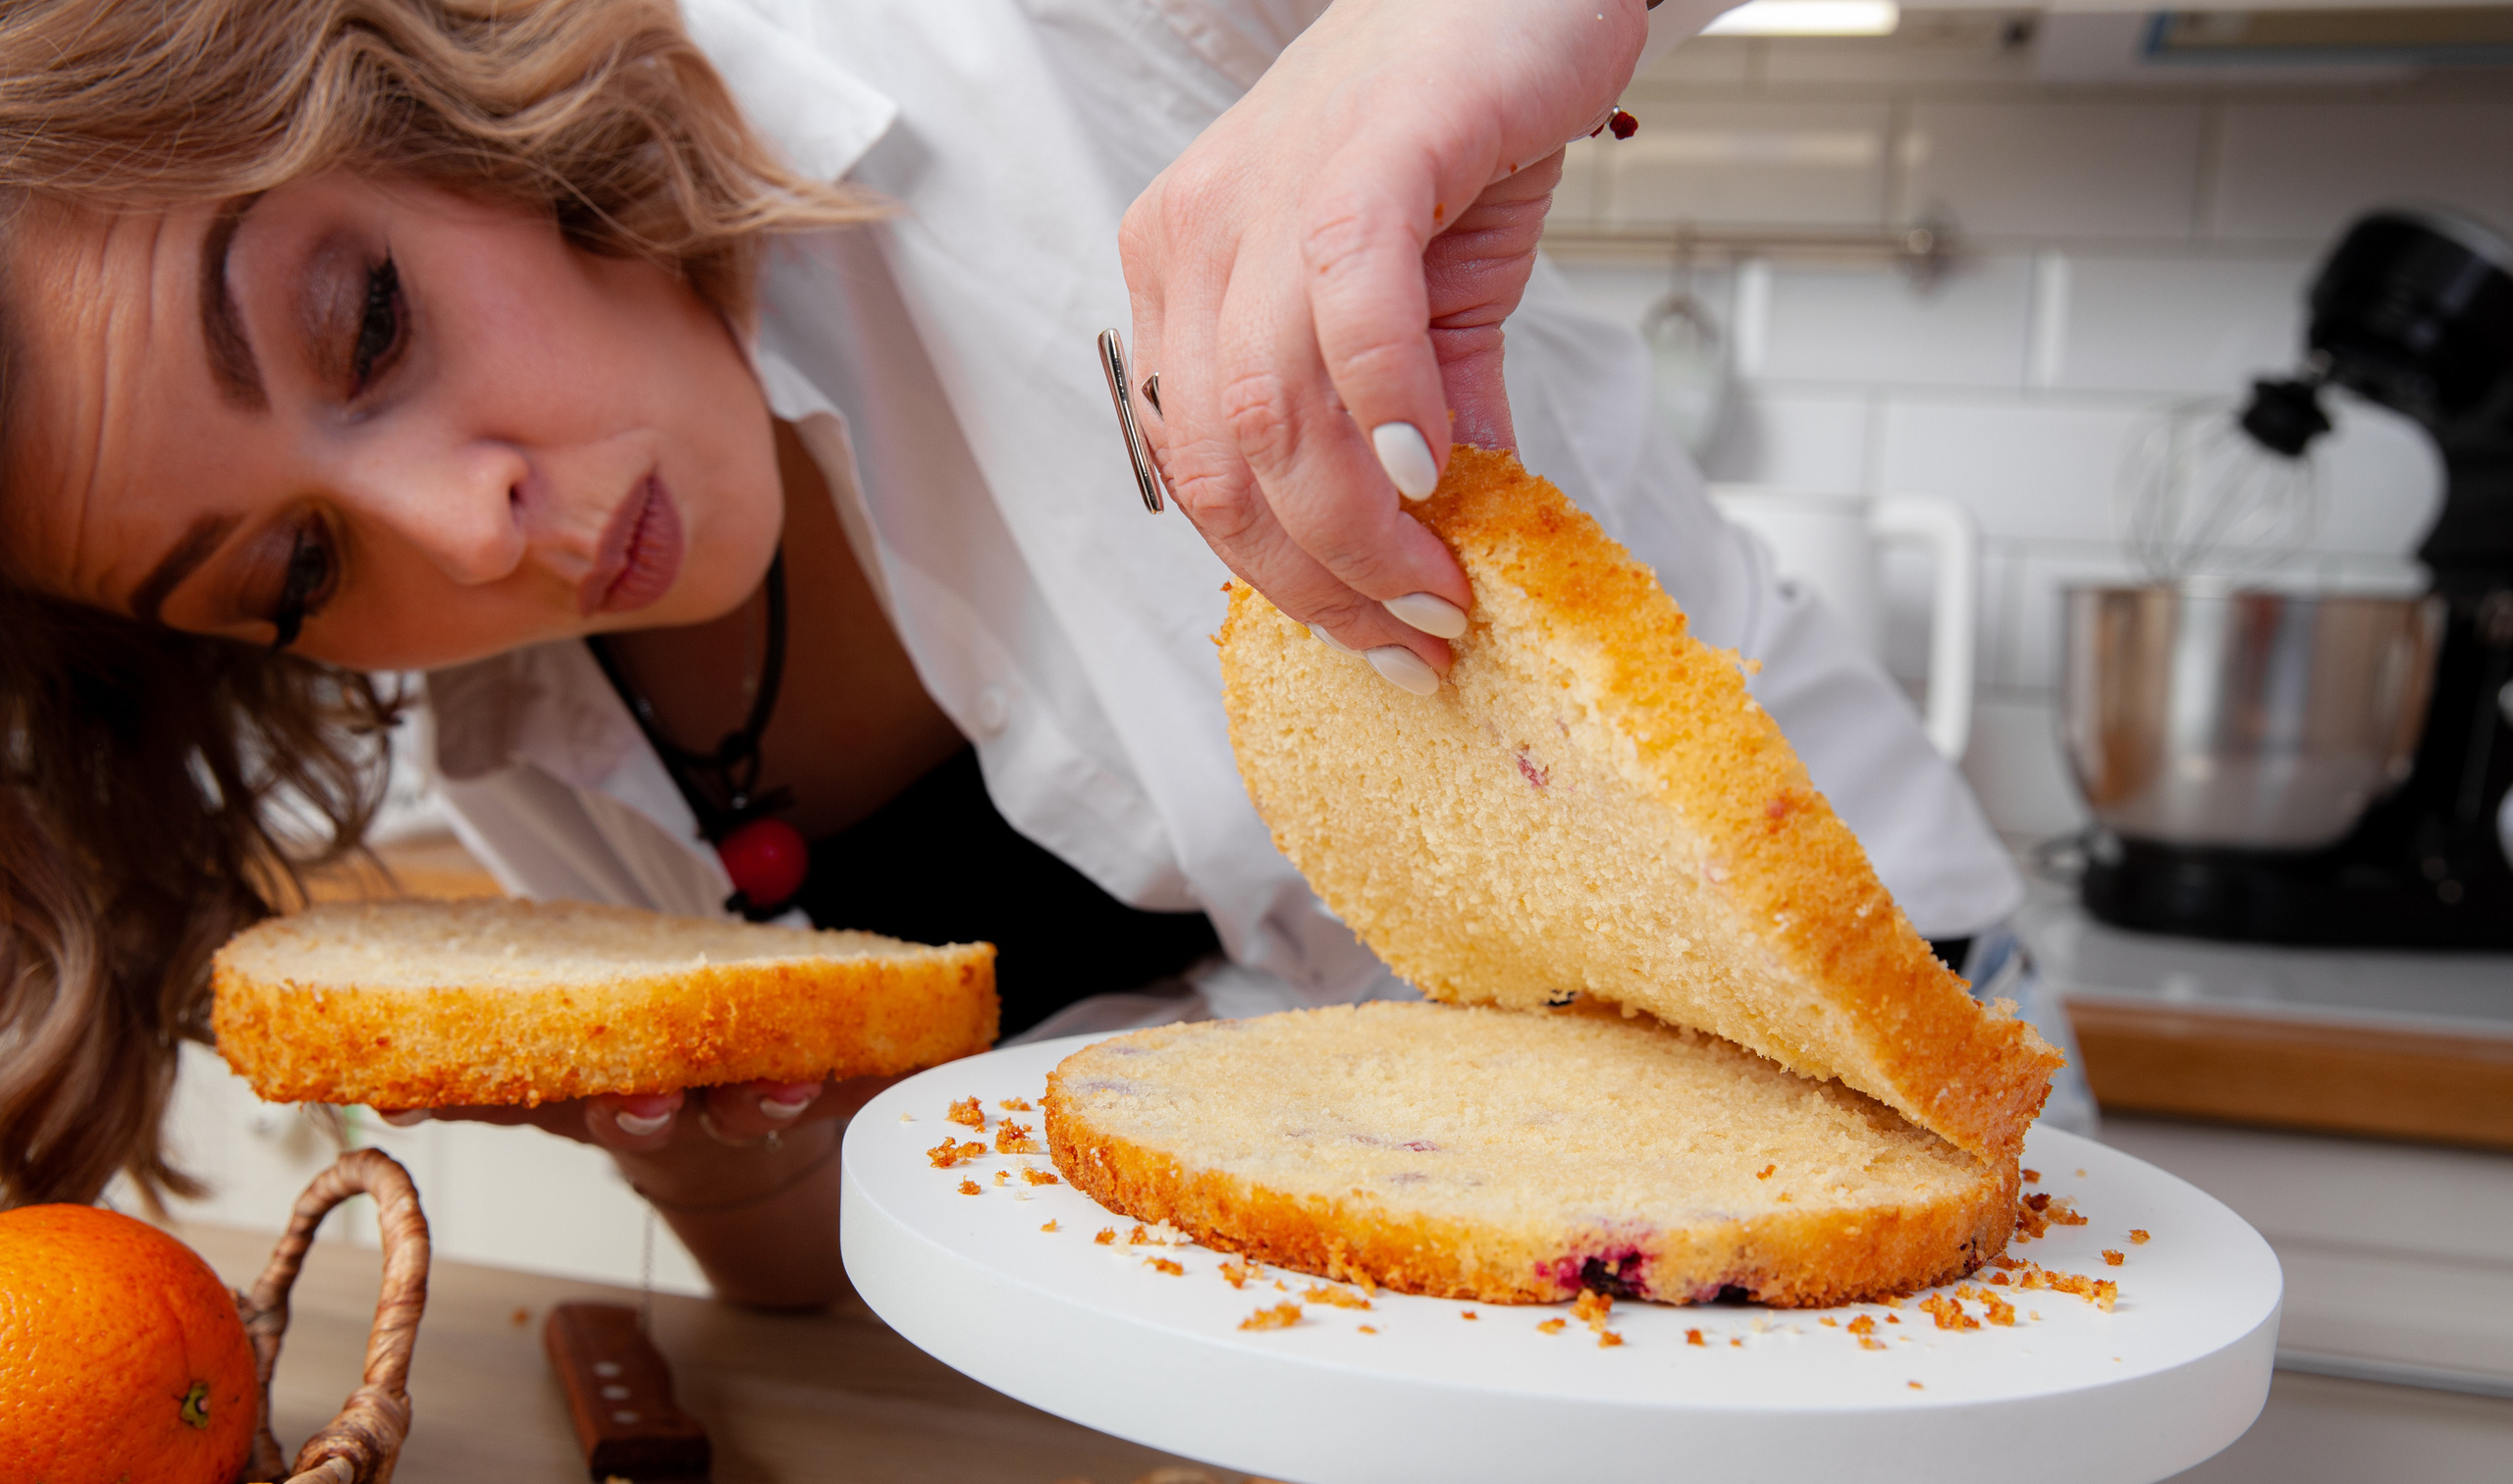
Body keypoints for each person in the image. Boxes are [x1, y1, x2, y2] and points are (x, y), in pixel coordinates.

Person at [0, 0, 2065, 1307]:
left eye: (366, 322)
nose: (465, 530)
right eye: (285, 568)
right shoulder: (529, 737)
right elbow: (855, 1270)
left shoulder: (1002, 50)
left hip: (1866, 1120)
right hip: (1315, 1386)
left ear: (416, 80)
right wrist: (733, 1177)